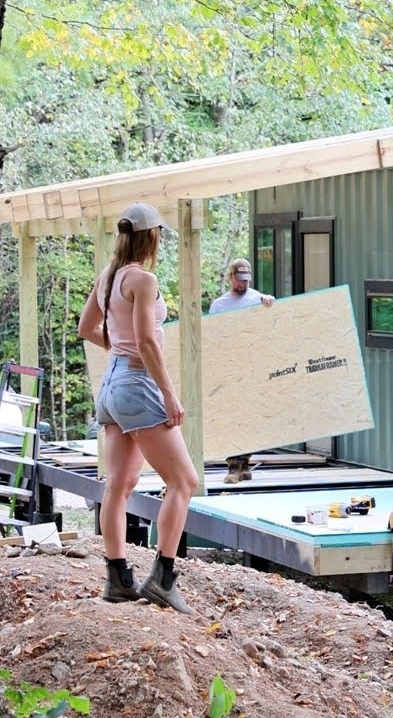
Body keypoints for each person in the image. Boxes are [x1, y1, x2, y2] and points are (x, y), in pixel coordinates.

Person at [77, 201, 199, 615]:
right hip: (136, 383)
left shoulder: (109, 276)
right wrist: (169, 393)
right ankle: (163, 579)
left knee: (119, 484)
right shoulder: (143, 280)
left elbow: (86, 327)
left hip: (111, 384)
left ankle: (117, 579)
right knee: (184, 481)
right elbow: (146, 341)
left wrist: (118, 348)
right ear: (153, 237)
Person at [209, 258, 274, 483]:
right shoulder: (219, 305)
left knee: (249, 415)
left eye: (246, 280)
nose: (242, 284)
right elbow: (212, 336)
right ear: (230, 277)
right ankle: (233, 466)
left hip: (252, 366)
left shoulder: (258, 299)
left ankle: (245, 463)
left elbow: (274, 320)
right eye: (239, 280)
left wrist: (270, 303)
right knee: (230, 414)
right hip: (228, 367)